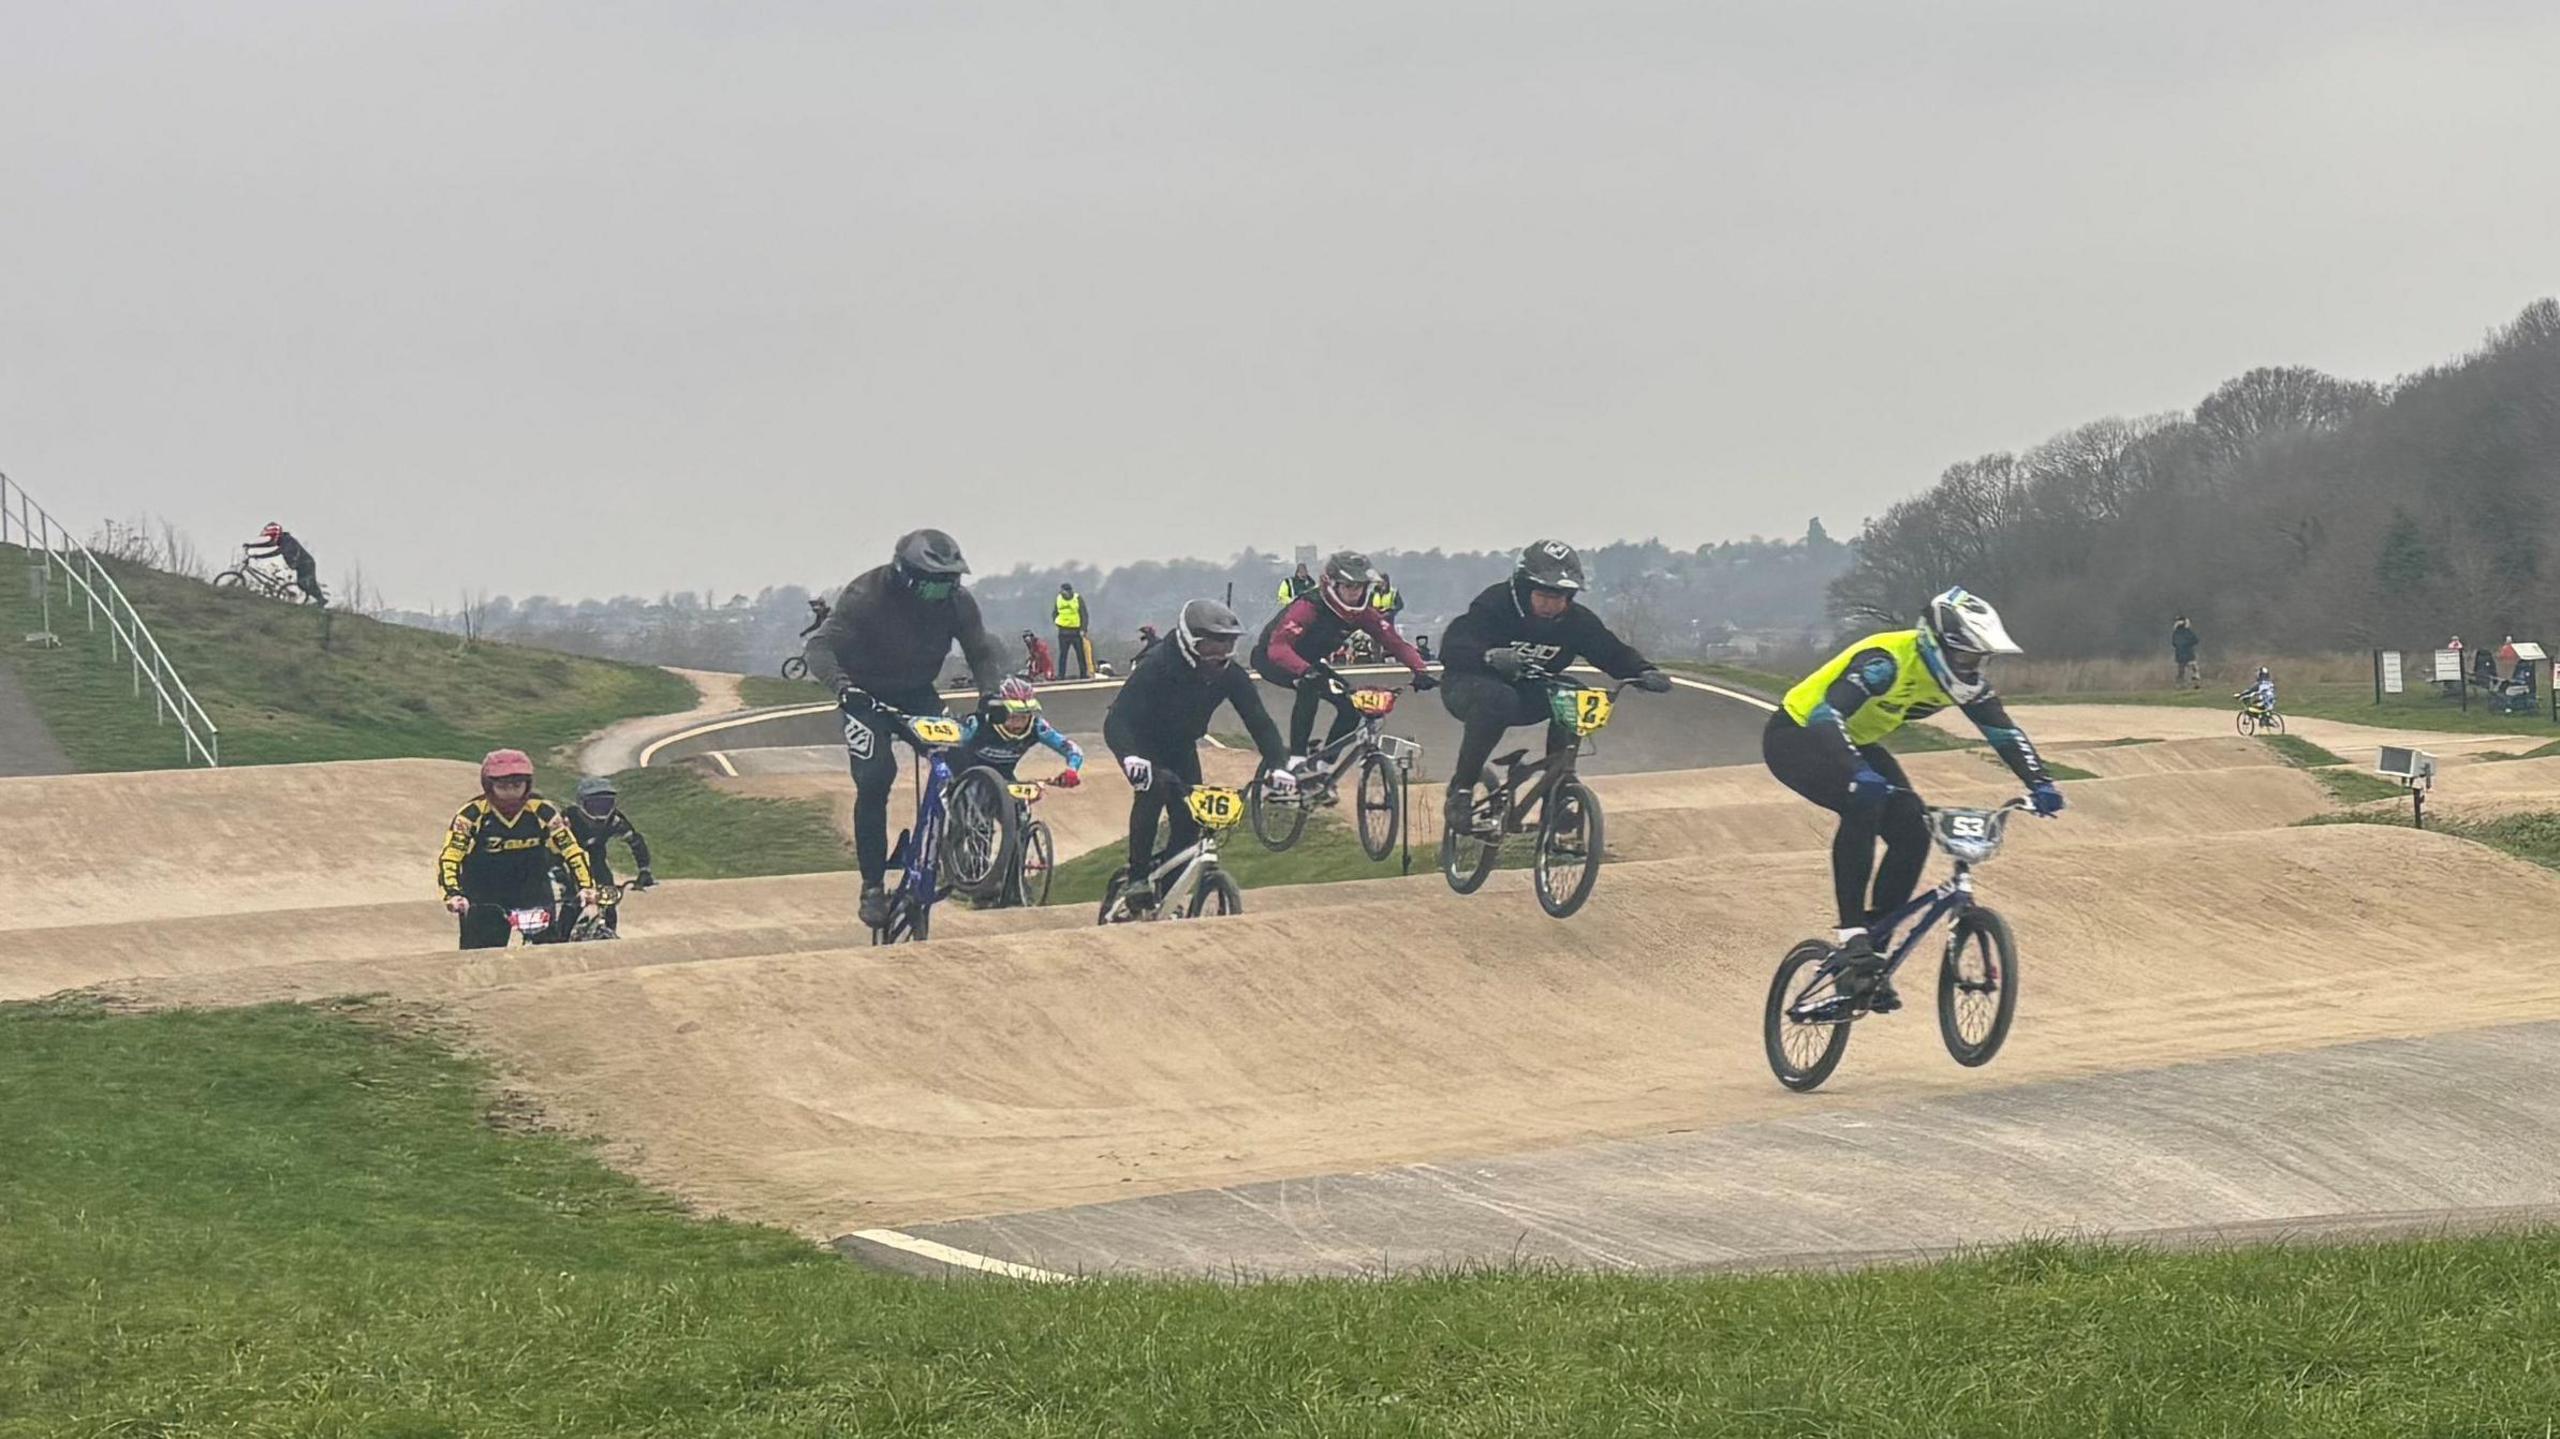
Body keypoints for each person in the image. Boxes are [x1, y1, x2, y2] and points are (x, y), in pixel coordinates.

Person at [1763, 588, 2061, 1009]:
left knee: (1913, 827)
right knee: (1863, 801)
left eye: (1980, 660)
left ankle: (1874, 946)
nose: (1973, 668)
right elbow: (1825, 716)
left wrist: (2041, 784)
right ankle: (1852, 934)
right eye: (1966, 658)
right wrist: (1857, 773)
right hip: (1798, 736)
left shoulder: (1963, 683)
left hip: (1856, 742)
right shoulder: (1885, 663)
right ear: (1936, 644)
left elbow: (2004, 734)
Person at [802, 528, 1008, 928]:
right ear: (905, 576)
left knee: (963, 758)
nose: (942, 593)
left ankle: (963, 853)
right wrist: (844, 689)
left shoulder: (958, 602)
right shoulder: (866, 597)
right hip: (866, 698)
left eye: (950, 583)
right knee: (876, 776)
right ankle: (872, 885)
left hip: (918, 694)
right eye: (933, 586)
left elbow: (980, 650)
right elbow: (819, 647)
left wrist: (991, 695)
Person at [1438, 540, 1673, 831]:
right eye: (1544, 596)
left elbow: (1610, 651)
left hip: (1528, 691)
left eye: (1561, 597)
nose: (1552, 605)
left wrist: (1643, 671)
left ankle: (1557, 794)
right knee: (1498, 698)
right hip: (1468, 685)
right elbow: (1454, 645)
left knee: (1574, 695)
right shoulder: (1495, 604)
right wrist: (1488, 655)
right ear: (1524, 590)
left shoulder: (1577, 622)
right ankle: (1461, 790)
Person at [1102, 599, 1296, 918]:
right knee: (1152, 793)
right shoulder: (1157, 665)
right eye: (1211, 646)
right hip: (1142, 745)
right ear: (1191, 642)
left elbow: (1259, 721)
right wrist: (1130, 757)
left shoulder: (1229, 675)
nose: (1220, 654)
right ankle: (1137, 877)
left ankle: (1170, 892)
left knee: (1191, 818)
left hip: (1181, 746)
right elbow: (1117, 720)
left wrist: (1278, 765)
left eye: (1228, 645)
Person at [1251, 549, 1437, 762]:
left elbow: (1394, 642)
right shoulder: (1309, 606)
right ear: (1332, 584)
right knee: (1309, 686)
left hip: (1310, 663)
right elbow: (1278, 648)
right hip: (1272, 659)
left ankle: (1323, 766)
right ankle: (1297, 758)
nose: (1355, 593)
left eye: (1360, 587)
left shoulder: (1362, 613)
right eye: (1349, 586)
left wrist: (1420, 670)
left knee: (1351, 706)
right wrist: (1306, 671)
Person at [438, 749, 596, 950]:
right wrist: (453, 893)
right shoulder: (471, 814)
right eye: (502, 786)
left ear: (527, 784)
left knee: (547, 948)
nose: (511, 792)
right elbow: (451, 855)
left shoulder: (543, 811)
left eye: (516, 785)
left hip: (532, 890)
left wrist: (586, 887)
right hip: (484, 894)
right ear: (489, 785)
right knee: (482, 953)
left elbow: (571, 850)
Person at [550, 775, 655, 935]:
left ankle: (608, 935)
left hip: (597, 862)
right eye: (594, 805)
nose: (600, 813)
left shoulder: (615, 820)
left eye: (606, 805)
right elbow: (551, 850)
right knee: (572, 903)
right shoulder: (566, 821)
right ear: (580, 804)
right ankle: (561, 941)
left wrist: (644, 870)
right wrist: (558, 873)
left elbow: (636, 842)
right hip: (569, 864)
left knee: (609, 902)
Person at [954, 676, 1085, 783]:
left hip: (1003, 779)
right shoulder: (978, 723)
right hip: (964, 776)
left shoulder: (1037, 727)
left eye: (1024, 717)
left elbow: (1072, 749)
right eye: (1012, 717)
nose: (1018, 724)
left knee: (1021, 807)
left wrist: (1071, 770)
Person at [245, 522, 325, 606]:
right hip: (300, 564)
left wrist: (259, 556)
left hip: (306, 563)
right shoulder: (282, 539)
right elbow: (269, 544)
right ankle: (320, 599)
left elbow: (276, 552)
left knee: (306, 582)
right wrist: (252, 545)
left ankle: (321, 599)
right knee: (303, 584)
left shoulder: (287, 541)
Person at [1053, 583, 1092, 680]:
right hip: (1063, 631)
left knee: (1080, 654)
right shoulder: (1058, 599)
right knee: (1063, 655)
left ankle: (1083, 674)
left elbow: (1083, 614)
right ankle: (1061, 675)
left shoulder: (1077, 598)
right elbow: (1055, 612)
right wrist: (1057, 622)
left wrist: (1083, 629)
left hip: (1076, 631)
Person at [2171, 616, 2200, 689]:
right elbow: (2195, 640)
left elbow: (2174, 643)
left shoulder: (2176, 633)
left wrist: (2180, 646)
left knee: (2181, 671)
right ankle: (2195, 684)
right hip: (2189, 653)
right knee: (2194, 669)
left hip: (2180, 654)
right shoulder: (2188, 631)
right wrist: (2188, 644)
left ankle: (2180, 685)